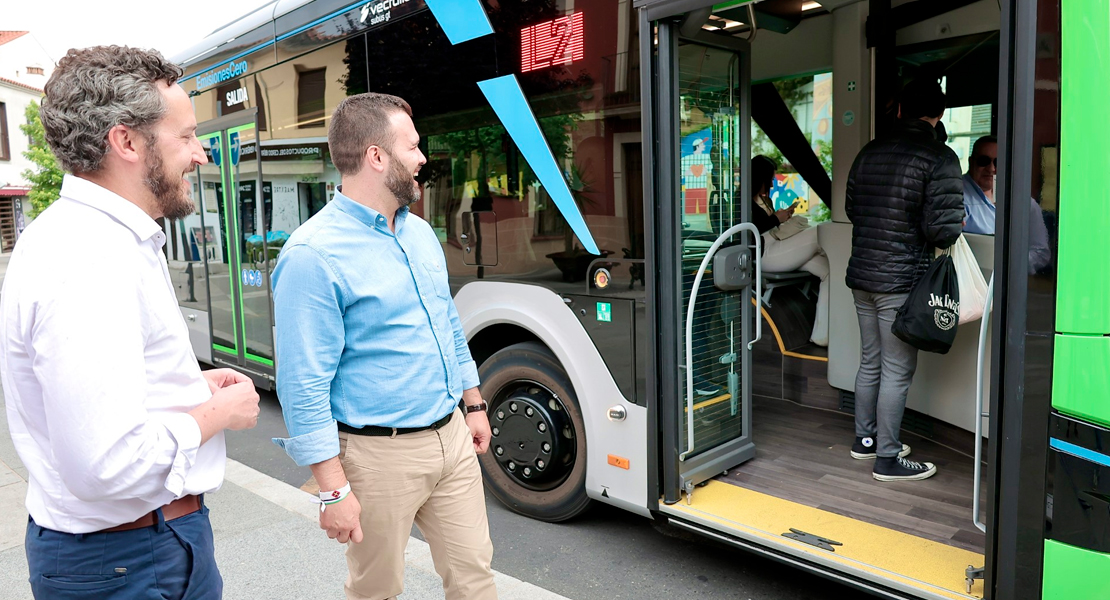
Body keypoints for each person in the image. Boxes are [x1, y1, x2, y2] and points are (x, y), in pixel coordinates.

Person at [0, 46, 261, 599]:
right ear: (127, 142)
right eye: (186, 135)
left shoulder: (102, 239)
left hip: (139, 549)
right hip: (126, 559)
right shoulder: (90, 255)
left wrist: (190, 388)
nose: (201, 154)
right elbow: (105, 464)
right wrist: (216, 413)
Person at [271, 93, 498, 600]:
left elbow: (447, 324)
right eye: (412, 146)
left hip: (453, 440)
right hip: (376, 457)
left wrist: (474, 401)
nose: (422, 158)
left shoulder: (419, 233)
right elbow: (303, 385)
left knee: (475, 576)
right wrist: (333, 489)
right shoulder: (312, 255)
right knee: (376, 589)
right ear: (377, 156)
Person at [844, 78, 965, 482]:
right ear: (940, 114)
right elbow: (942, 232)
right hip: (899, 280)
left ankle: (866, 441)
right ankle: (888, 459)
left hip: (862, 274)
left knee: (871, 362)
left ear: (899, 110)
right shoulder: (939, 157)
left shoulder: (868, 152)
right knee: (897, 370)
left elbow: (853, 208)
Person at [749, 156, 830, 347]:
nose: (771, 182)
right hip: (764, 253)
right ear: (759, 178)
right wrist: (776, 219)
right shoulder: (742, 201)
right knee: (820, 232)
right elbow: (751, 232)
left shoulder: (763, 200)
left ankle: (822, 335)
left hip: (777, 247)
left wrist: (782, 218)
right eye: (769, 178)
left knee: (828, 269)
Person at [961, 135, 1052, 274]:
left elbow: (1040, 252)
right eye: (983, 161)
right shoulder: (955, 194)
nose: (991, 168)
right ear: (971, 161)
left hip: (1010, 289)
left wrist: (1011, 266)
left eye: (998, 162)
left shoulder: (1023, 203)